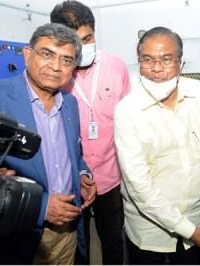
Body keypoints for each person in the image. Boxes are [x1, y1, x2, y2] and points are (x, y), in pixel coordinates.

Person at [0, 23, 95, 264]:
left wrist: (82, 174)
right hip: (14, 235)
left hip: (67, 231)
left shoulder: (70, 104)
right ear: (27, 54)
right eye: (47, 54)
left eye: (66, 60)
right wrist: (42, 206)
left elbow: (73, 153)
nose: (56, 67)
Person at [114, 26, 200, 264]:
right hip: (150, 232)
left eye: (166, 59)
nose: (156, 69)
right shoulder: (127, 110)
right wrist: (188, 231)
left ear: (181, 63)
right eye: (147, 60)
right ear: (139, 62)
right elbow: (138, 186)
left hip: (199, 218)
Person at [49, 2, 130, 264]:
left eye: (88, 38)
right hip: (70, 179)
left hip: (111, 174)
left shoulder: (117, 67)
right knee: (77, 242)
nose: (83, 47)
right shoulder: (53, 74)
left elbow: (128, 120)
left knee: (113, 239)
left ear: (95, 33)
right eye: (75, 42)